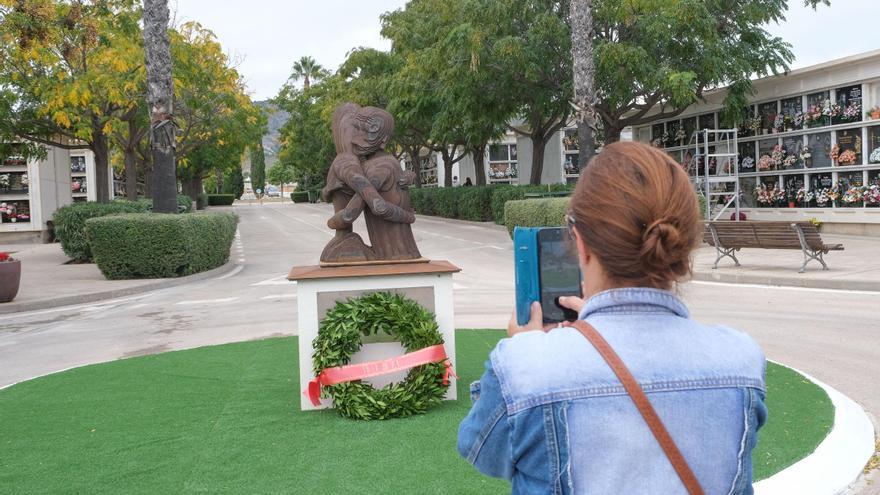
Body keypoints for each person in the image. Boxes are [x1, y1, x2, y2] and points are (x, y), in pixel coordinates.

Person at [458, 141, 767, 494]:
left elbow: (481, 451)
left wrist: (528, 347)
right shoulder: (740, 360)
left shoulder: (526, 366)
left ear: (580, 242)